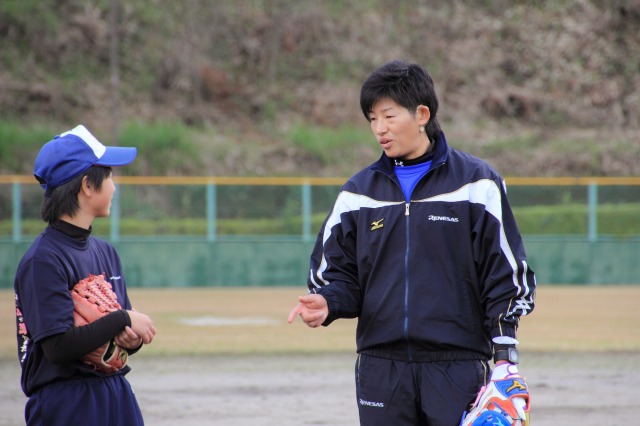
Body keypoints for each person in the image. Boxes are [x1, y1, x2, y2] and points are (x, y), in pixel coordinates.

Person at [288, 60, 536, 425]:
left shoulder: (477, 184)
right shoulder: (358, 194)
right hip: (380, 368)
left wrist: (504, 357)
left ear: (422, 114)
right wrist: (328, 302)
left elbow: (505, 273)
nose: (379, 129)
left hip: (457, 366)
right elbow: (340, 277)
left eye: (388, 116)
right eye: (372, 119)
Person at [14, 125, 157, 425]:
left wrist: (131, 340)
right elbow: (58, 347)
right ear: (87, 186)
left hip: (115, 392)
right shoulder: (43, 260)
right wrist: (123, 320)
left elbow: (119, 333)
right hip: (66, 403)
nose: (114, 186)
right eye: (109, 176)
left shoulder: (106, 253)